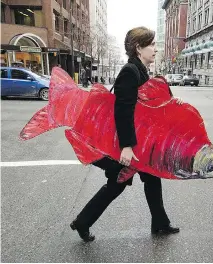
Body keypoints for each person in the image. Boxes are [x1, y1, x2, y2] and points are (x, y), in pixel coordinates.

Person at [70, 27, 181, 242]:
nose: (155, 49)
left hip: (140, 143)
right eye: (152, 45)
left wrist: (170, 104)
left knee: (152, 178)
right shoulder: (130, 72)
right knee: (117, 185)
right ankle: (83, 221)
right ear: (139, 48)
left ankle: (160, 223)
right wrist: (127, 147)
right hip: (129, 144)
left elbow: (145, 108)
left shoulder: (140, 70)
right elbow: (123, 111)